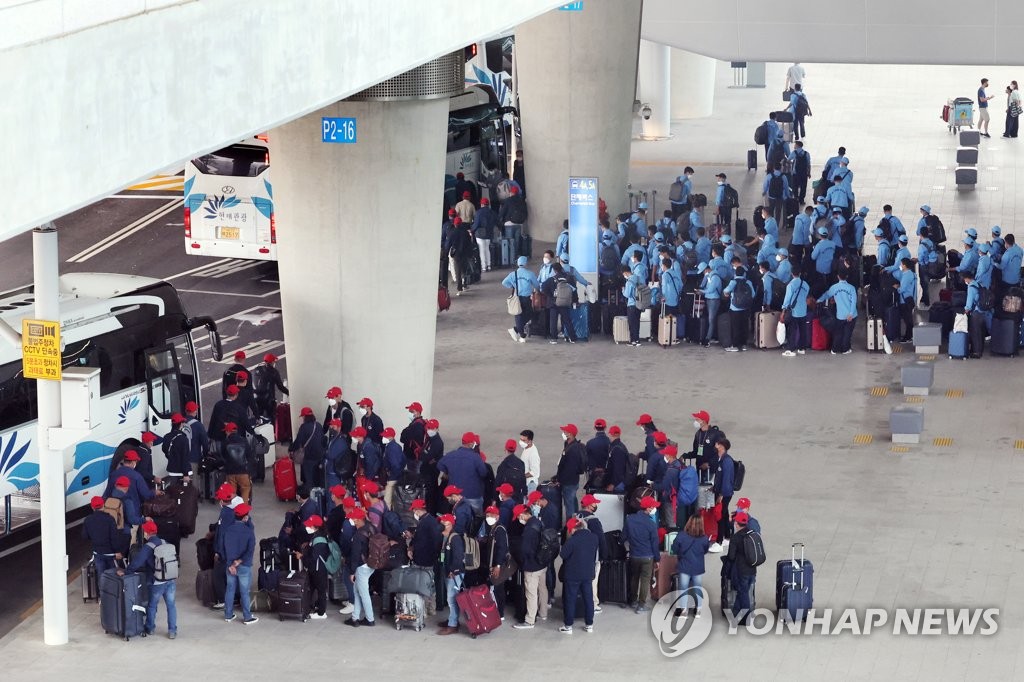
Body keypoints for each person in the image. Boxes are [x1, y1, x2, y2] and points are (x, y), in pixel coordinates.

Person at [120, 519, 178, 638]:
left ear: (146, 533)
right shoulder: (164, 541)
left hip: (157, 582)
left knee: (152, 605)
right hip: (170, 579)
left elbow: (137, 562)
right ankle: (172, 631)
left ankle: (150, 628)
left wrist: (126, 572)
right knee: (171, 605)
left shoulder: (148, 547)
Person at [558, 517, 598, 634]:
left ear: (573, 529)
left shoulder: (572, 541)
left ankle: (568, 626)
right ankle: (589, 624)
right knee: (588, 599)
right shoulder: (594, 538)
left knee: (570, 600)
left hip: (572, 575)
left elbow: (563, 555)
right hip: (588, 573)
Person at [512, 504, 549, 629]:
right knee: (542, 589)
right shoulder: (538, 522)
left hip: (532, 566)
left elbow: (525, 549)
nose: (518, 519)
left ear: (523, 514)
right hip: (542, 563)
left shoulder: (528, 529)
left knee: (531, 593)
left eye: (518, 516)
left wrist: (523, 561)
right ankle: (543, 613)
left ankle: (529, 620)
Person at [222, 503, 258, 625]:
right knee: (244, 592)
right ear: (245, 517)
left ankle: (228, 614)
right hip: (244, 565)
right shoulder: (249, 532)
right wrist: (239, 561)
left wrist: (231, 564)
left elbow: (223, 548)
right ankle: (247, 617)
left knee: (230, 589)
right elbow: (250, 550)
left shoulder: (227, 530)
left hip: (230, 565)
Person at [624, 496, 660, 613]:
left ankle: (633, 600)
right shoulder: (651, 524)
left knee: (635, 577)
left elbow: (623, 536)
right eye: (653, 506)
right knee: (645, 580)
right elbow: (655, 544)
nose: (654, 508)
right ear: (649, 509)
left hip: (634, 554)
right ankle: (641, 605)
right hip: (647, 556)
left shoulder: (629, 519)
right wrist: (657, 559)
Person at [438, 432, 488, 516]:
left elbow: (440, 464)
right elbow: (483, 473)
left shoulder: (451, 455)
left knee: (456, 518)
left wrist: (448, 471)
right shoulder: (476, 457)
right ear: (471, 444)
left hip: (455, 496)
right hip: (473, 495)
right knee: (477, 520)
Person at [672, 514, 710, 618]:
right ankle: (698, 610)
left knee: (683, 588)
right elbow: (706, 550)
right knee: (697, 587)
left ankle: (684, 610)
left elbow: (674, 548)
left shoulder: (681, 535)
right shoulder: (704, 538)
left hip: (684, 566)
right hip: (698, 566)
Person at [436, 513, 466, 636]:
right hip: (447, 572)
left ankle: (453, 625)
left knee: (452, 599)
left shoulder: (455, 538)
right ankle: (452, 619)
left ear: (450, 525)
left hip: (454, 574)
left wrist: (453, 571)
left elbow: (458, 557)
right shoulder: (444, 537)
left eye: (444, 523)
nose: (441, 526)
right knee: (450, 598)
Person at [344, 507, 375, 627]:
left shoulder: (358, 535)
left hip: (362, 567)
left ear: (357, 520)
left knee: (364, 593)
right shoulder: (371, 527)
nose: (351, 521)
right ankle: (355, 618)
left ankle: (370, 619)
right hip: (371, 564)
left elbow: (355, 555)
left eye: (352, 519)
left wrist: (352, 572)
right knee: (356, 591)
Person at [296, 515, 330, 620]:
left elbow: (313, 558)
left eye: (309, 526)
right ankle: (316, 606)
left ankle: (321, 613)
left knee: (321, 590)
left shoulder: (319, 540)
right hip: (317, 568)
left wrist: (302, 556)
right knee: (317, 588)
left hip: (319, 569)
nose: (307, 527)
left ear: (316, 527)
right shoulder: (319, 535)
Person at [726, 512, 757, 622]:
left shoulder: (736, 538)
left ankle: (746, 617)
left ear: (736, 524)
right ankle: (735, 612)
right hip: (752, 569)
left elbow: (731, 556)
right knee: (742, 591)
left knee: (743, 593)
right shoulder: (752, 533)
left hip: (741, 570)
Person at [818, 270, 858, 354]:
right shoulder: (851, 288)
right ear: (847, 276)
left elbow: (827, 294)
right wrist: (851, 314)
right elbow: (854, 302)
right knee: (847, 333)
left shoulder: (834, 287)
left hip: (840, 315)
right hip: (851, 315)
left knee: (838, 332)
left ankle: (834, 349)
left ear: (838, 277)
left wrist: (819, 300)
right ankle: (845, 349)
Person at [503, 256, 540, 343]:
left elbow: (504, 282)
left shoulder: (513, 274)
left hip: (517, 297)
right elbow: (536, 284)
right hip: (527, 297)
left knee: (519, 314)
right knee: (530, 314)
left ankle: (516, 330)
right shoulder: (529, 274)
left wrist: (512, 286)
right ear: (526, 263)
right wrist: (537, 290)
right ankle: (521, 334)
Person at [82, 496, 122, 575]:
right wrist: (117, 551)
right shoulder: (110, 519)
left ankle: (102, 587)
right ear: (103, 505)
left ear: (92, 507)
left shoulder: (88, 520)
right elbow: (114, 538)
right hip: (110, 553)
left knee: (101, 576)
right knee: (112, 576)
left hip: (97, 553)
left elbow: (84, 536)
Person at [483, 505, 511, 618]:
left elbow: (501, 549)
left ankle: (500, 613)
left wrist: (497, 565)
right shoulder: (493, 529)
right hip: (493, 564)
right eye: (487, 515)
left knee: (499, 588)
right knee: (494, 588)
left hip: (498, 565)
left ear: (497, 517)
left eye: (492, 515)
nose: (489, 517)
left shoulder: (500, 530)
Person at [542, 262, 579, 344]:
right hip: (565, 302)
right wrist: (575, 300)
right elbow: (574, 290)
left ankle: (554, 339)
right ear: (561, 269)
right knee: (567, 320)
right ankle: (572, 338)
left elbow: (543, 287)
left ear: (554, 270)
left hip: (554, 303)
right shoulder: (569, 278)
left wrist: (550, 296)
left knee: (553, 321)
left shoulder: (551, 279)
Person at [710, 439, 736, 553]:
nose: (715, 445)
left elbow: (726, 480)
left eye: (717, 444)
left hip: (724, 494)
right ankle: (727, 536)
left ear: (721, 446)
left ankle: (719, 542)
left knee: (719, 516)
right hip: (721, 492)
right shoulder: (721, 459)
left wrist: (721, 494)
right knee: (724, 514)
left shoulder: (727, 461)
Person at [555, 424, 586, 519]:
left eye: (565, 432)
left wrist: (560, 480)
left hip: (569, 482)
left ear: (571, 434)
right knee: (573, 501)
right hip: (571, 481)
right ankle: (577, 519)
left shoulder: (573, 449)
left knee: (569, 506)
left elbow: (570, 469)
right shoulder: (568, 444)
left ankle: (571, 526)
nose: (563, 433)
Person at [722, 266, 754, 352]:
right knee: (744, 326)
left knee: (735, 327)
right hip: (746, 307)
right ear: (744, 274)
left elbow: (726, 290)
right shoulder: (748, 282)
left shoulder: (733, 281)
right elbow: (753, 294)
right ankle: (744, 345)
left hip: (735, 308)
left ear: (735, 273)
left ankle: (735, 345)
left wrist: (726, 293)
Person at [781, 266, 811, 357]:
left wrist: (783, 310)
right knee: (803, 330)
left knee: (792, 330)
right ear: (800, 273)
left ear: (791, 273)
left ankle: (790, 349)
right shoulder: (806, 284)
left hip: (794, 311)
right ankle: (802, 348)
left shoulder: (791, 285)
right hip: (803, 310)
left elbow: (787, 299)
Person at [220, 422, 253, 504]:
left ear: (228, 431)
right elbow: (250, 456)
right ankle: (244, 512)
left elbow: (223, 456)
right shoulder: (244, 441)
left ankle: (232, 512)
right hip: (243, 472)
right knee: (245, 491)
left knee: (231, 494)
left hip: (230, 472)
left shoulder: (225, 442)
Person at [408, 499, 443, 569]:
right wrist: (411, 548)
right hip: (420, 559)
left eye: (413, 510)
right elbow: (418, 538)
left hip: (426, 563)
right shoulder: (423, 520)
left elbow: (437, 542)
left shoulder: (431, 522)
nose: (413, 512)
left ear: (417, 510)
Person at [253, 353, 288, 421]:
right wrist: (288, 392)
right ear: (272, 362)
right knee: (272, 418)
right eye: (274, 361)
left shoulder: (256, 369)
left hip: (256, 399)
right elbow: (280, 387)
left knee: (258, 418)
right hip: (268, 400)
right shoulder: (274, 372)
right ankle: (272, 429)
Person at [421, 419, 444, 513]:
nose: (429, 430)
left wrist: (425, 456)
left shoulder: (437, 442)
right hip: (426, 469)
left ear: (437, 429)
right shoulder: (429, 439)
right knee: (427, 492)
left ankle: (431, 511)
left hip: (432, 471)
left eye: (431, 428)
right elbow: (424, 453)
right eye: (428, 428)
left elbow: (428, 456)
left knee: (431, 492)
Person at [162, 413, 192, 485]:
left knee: (174, 492)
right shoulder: (183, 438)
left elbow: (164, 450)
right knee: (185, 493)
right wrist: (186, 474)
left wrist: (172, 458)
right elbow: (185, 457)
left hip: (172, 470)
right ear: (181, 424)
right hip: (183, 472)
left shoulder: (166, 437)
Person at [621, 264, 643, 347]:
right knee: (637, 322)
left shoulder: (629, 282)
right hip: (639, 304)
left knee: (632, 323)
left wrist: (623, 290)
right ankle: (637, 340)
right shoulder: (637, 278)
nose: (624, 276)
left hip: (632, 305)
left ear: (626, 273)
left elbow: (627, 295)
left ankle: (633, 341)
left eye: (623, 274)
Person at [183, 401, 209, 466]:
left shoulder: (180, 424)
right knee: (193, 476)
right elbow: (205, 443)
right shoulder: (198, 425)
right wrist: (205, 455)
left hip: (180, 460)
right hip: (193, 459)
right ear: (195, 411)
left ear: (185, 411)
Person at [519, 430, 541, 494]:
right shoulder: (526, 448)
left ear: (530, 441)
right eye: (520, 439)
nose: (521, 442)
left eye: (523, 440)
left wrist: (520, 476)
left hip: (530, 484)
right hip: (526, 483)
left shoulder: (533, 454)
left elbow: (534, 472)